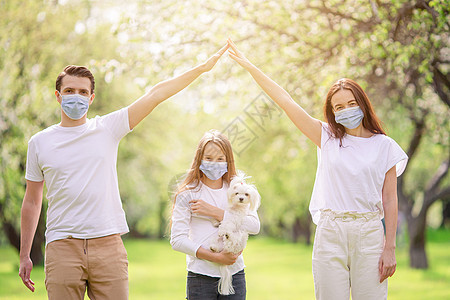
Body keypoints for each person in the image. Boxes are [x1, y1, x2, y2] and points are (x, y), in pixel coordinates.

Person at [18, 44, 229, 299]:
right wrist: (25, 254)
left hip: (108, 244)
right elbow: (32, 200)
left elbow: (155, 94)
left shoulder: (107, 128)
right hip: (62, 245)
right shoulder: (39, 142)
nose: (77, 96)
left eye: (83, 92)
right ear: (58, 95)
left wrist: (202, 68)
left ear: (91, 98)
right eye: (69, 91)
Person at [227, 38, 408, 300]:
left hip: (369, 233)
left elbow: (390, 199)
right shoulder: (326, 136)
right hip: (331, 231)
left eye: (351, 104)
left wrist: (389, 248)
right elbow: (285, 101)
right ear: (332, 113)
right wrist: (251, 68)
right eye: (339, 107)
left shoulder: (385, 146)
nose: (346, 110)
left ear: (362, 104)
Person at [170, 130, 260, 300]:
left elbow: (254, 226)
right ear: (199, 160)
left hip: (235, 275)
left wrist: (215, 212)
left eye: (220, 159)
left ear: (228, 160)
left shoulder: (236, 189)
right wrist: (216, 257)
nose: (214, 163)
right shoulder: (188, 194)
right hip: (200, 277)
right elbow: (177, 240)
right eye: (209, 158)